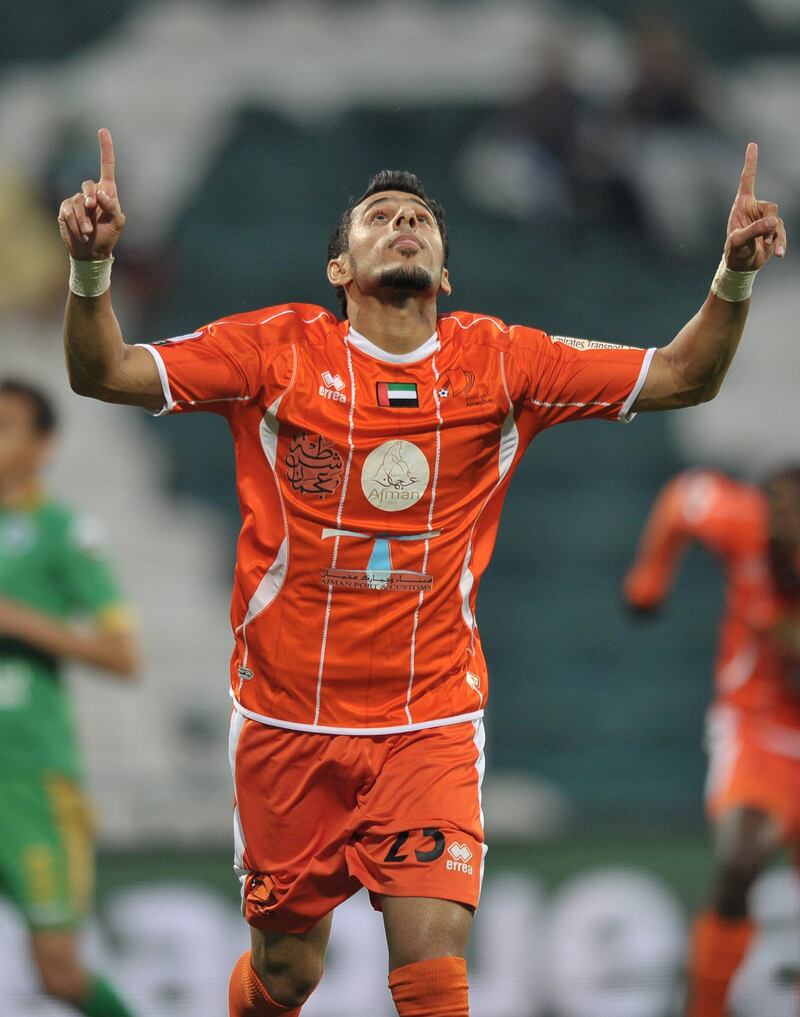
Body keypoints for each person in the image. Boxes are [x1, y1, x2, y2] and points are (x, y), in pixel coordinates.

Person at [57, 127, 785, 1017]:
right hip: (287, 719)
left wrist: (733, 276)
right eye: (378, 216)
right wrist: (91, 273)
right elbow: (105, 372)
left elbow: (682, 376)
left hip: (429, 717)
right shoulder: (277, 350)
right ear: (338, 268)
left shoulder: (503, 362)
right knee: (288, 974)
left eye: (422, 220)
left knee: (434, 978)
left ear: (444, 274)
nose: (404, 221)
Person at [623, 467, 800, 1017]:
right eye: (778, 519)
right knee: (739, 859)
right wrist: (648, 581)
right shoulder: (740, 518)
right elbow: (682, 498)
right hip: (757, 729)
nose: (783, 531)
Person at [0, 378, 140, 1016]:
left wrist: (22, 622)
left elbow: (122, 653)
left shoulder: (63, 532)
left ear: (44, 445)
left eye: (5, 426)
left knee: (58, 973)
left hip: (28, 780)